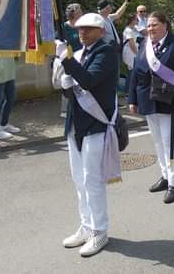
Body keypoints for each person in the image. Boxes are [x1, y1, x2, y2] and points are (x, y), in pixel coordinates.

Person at [58, 13, 120, 257]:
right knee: (79, 181)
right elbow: (73, 88)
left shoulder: (105, 52)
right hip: (76, 123)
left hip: (96, 123)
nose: (82, 32)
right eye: (80, 29)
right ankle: (86, 226)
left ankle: (100, 231)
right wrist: (64, 82)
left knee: (92, 181)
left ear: (101, 31)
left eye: (88, 29)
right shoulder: (81, 53)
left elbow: (89, 81)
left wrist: (66, 59)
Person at [128, 11, 174, 203]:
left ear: (165, 25)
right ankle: (165, 175)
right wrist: (132, 98)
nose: (151, 29)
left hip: (170, 100)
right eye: (149, 25)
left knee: (170, 143)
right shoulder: (144, 44)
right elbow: (136, 73)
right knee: (158, 142)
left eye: (155, 25)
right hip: (148, 100)